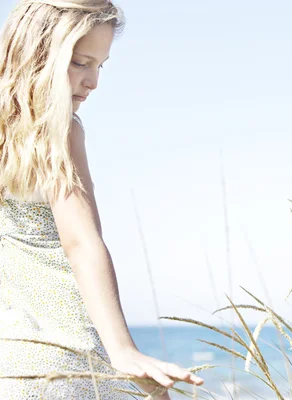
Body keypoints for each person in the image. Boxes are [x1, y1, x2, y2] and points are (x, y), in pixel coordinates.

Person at [0, 1, 204, 398]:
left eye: (100, 65)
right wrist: (123, 349)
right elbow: (80, 242)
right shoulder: (57, 130)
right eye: (80, 62)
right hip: (71, 355)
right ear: (37, 52)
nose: (93, 81)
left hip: (11, 360)